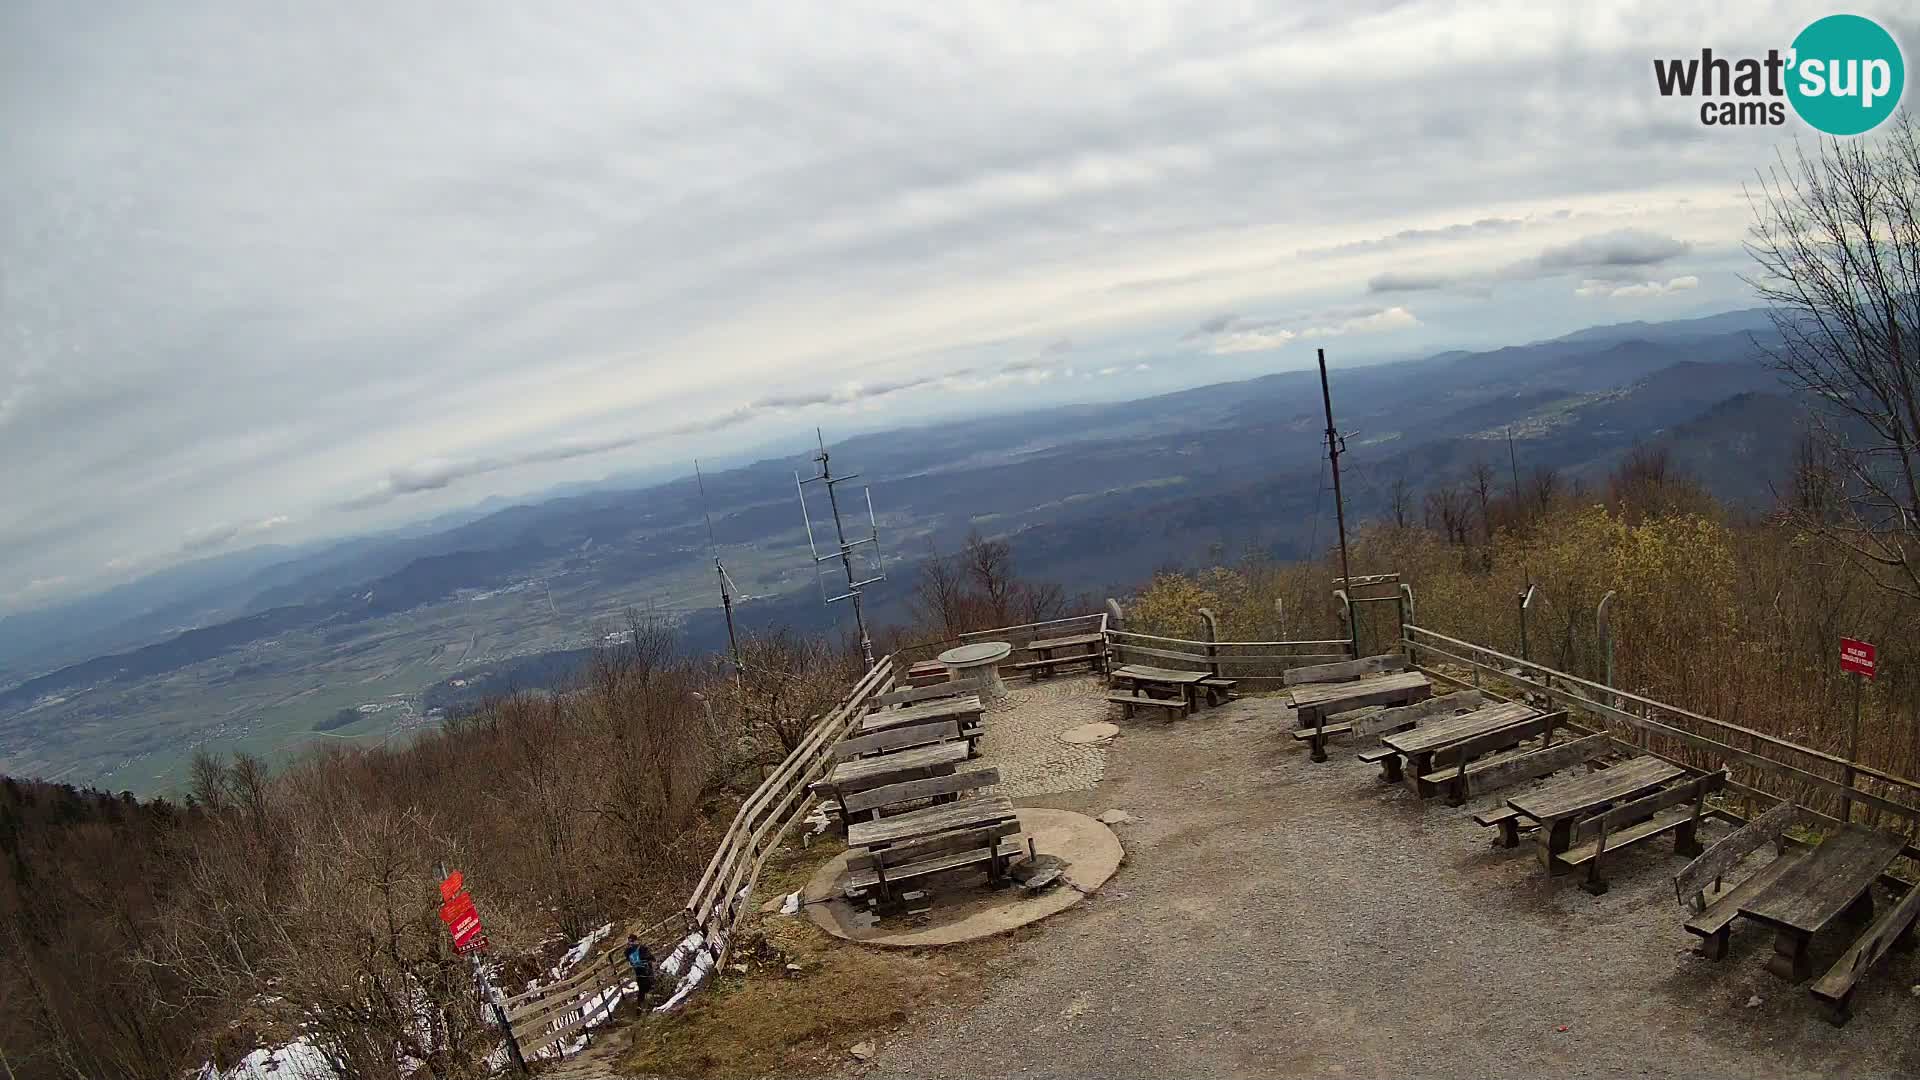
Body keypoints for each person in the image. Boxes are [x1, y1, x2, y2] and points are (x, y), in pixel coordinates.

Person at [624, 933, 654, 1005]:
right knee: (650, 984)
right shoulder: (642, 948)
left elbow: (629, 959)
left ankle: (640, 1004)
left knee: (641, 988)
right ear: (636, 940)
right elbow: (650, 957)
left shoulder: (627, 951)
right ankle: (650, 1002)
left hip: (637, 970)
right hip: (646, 969)